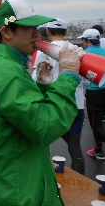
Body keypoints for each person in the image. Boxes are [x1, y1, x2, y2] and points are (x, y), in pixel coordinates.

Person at [0, 0, 84, 206]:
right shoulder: (8, 71)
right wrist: (68, 77)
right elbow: (45, 125)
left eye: (37, 26)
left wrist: (42, 86)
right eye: (29, 27)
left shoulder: (4, 64)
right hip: (17, 189)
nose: (37, 33)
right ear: (6, 32)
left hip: (9, 177)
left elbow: (22, 114)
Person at [32, 18, 85, 174]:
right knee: (75, 148)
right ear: (66, 32)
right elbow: (85, 81)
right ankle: (80, 187)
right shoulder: (77, 50)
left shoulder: (45, 50)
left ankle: (45, 176)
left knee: (44, 141)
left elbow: (37, 77)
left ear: (47, 32)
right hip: (78, 104)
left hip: (55, 101)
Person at [78, 28, 105, 168]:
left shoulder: (84, 54)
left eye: (83, 40)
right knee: (99, 124)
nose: (82, 43)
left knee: (95, 126)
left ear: (88, 40)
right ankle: (98, 150)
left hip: (94, 92)